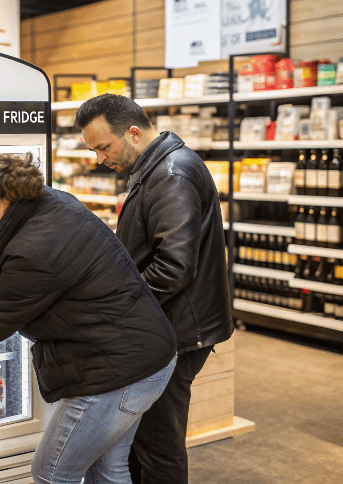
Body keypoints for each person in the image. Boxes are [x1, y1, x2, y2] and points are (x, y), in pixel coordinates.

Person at [0, 150, 178, 484]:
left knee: (52, 473)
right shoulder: (48, 203)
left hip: (119, 372)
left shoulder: (34, 249)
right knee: (107, 468)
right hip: (141, 353)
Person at [75, 94, 234, 484]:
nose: (99, 158)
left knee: (158, 446)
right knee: (145, 441)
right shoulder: (157, 167)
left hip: (176, 333)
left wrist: (117, 305)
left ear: (132, 133)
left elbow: (174, 266)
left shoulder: (171, 174)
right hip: (169, 326)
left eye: (103, 147)